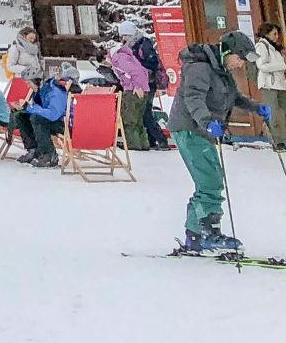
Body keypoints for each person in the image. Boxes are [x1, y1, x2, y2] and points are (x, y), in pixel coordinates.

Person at [171, 31, 269, 253]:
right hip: (190, 129)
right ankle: (209, 233)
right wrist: (207, 122)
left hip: (202, 130)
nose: (241, 64)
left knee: (209, 178)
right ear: (228, 52)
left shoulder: (220, 69)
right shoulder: (200, 67)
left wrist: (256, 108)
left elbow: (234, 97)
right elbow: (193, 97)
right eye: (241, 58)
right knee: (210, 180)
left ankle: (194, 235)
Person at [120, 21, 172, 149]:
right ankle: (153, 139)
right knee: (144, 112)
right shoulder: (135, 45)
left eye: (124, 36)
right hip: (141, 83)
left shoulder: (143, 44)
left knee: (145, 112)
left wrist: (141, 73)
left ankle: (160, 139)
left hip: (147, 83)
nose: (123, 39)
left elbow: (151, 62)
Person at [13, 69, 72, 167]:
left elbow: (53, 114)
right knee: (21, 116)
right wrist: (24, 108)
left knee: (37, 118)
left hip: (63, 123)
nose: (28, 86)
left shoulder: (54, 91)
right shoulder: (42, 90)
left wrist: (31, 107)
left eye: (29, 83)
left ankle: (49, 155)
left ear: (36, 81)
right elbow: (40, 109)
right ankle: (33, 150)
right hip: (52, 120)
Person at [104, 38, 152, 151]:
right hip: (142, 89)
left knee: (129, 119)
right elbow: (142, 71)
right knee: (138, 120)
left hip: (132, 91)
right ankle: (143, 144)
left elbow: (135, 72)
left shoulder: (117, 58)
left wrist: (137, 87)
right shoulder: (127, 56)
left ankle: (133, 145)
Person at [255, 24, 286, 150]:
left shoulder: (275, 47)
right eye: (274, 34)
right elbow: (262, 66)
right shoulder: (261, 46)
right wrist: (283, 65)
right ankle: (277, 141)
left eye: (277, 34)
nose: (277, 37)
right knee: (273, 112)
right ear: (266, 34)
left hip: (280, 83)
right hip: (268, 84)